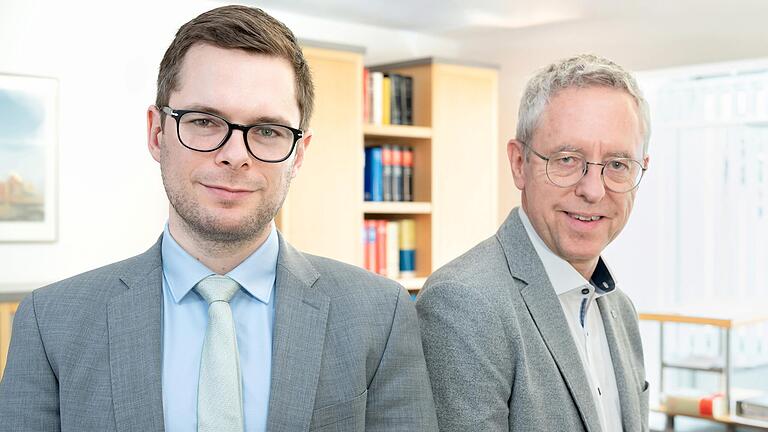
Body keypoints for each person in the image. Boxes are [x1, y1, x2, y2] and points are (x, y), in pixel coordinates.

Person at [0, 6, 437, 431]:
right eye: (205, 121)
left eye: (268, 130)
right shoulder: (50, 322)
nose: (234, 155)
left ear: (298, 153)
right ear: (157, 133)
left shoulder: (380, 315)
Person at [416, 54, 651, 432]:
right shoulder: (463, 303)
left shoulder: (622, 310)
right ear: (519, 163)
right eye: (567, 159)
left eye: (618, 164)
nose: (593, 190)